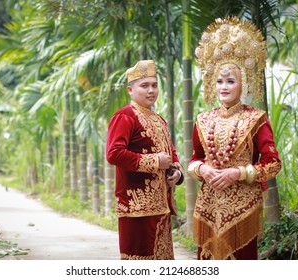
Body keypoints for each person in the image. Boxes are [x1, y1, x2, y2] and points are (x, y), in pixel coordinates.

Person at [188, 16, 282, 260]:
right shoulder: (203, 119)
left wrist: (237, 173)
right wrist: (202, 170)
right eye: (219, 81)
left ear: (244, 83)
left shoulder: (256, 119)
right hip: (209, 205)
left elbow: (273, 163)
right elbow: (194, 158)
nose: (224, 87)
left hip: (243, 209)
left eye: (231, 81)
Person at [106, 59, 184, 260]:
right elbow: (114, 153)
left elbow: (171, 153)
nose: (151, 90)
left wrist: (176, 173)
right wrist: (154, 161)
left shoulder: (158, 120)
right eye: (145, 86)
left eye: (154, 85)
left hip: (161, 205)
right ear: (130, 90)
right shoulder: (124, 116)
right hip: (136, 207)